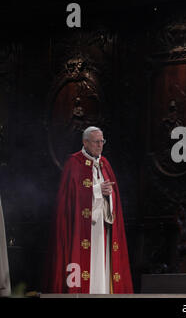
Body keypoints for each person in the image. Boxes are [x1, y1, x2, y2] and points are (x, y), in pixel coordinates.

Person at [44, 126, 133, 294]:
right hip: (81, 228)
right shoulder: (73, 163)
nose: (100, 145)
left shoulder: (105, 164)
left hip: (103, 226)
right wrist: (99, 190)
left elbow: (114, 198)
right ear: (85, 142)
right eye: (96, 142)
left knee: (103, 266)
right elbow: (70, 198)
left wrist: (108, 195)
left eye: (102, 141)